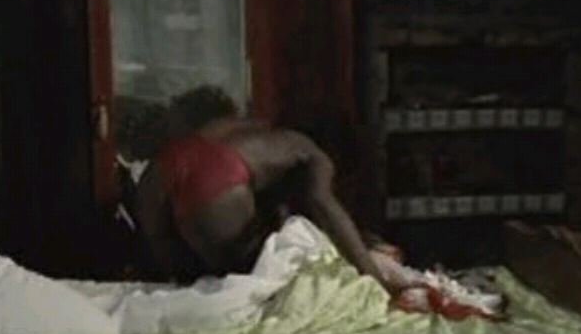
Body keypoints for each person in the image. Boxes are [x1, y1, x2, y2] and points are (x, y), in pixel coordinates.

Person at [133, 85, 405, 293]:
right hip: (221, 172)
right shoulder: (305, 148)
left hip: (161, 168)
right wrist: (377, 281)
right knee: (248, 275)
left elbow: (158, 240)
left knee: (187, 278)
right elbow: (324, 205)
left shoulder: (246, 132)